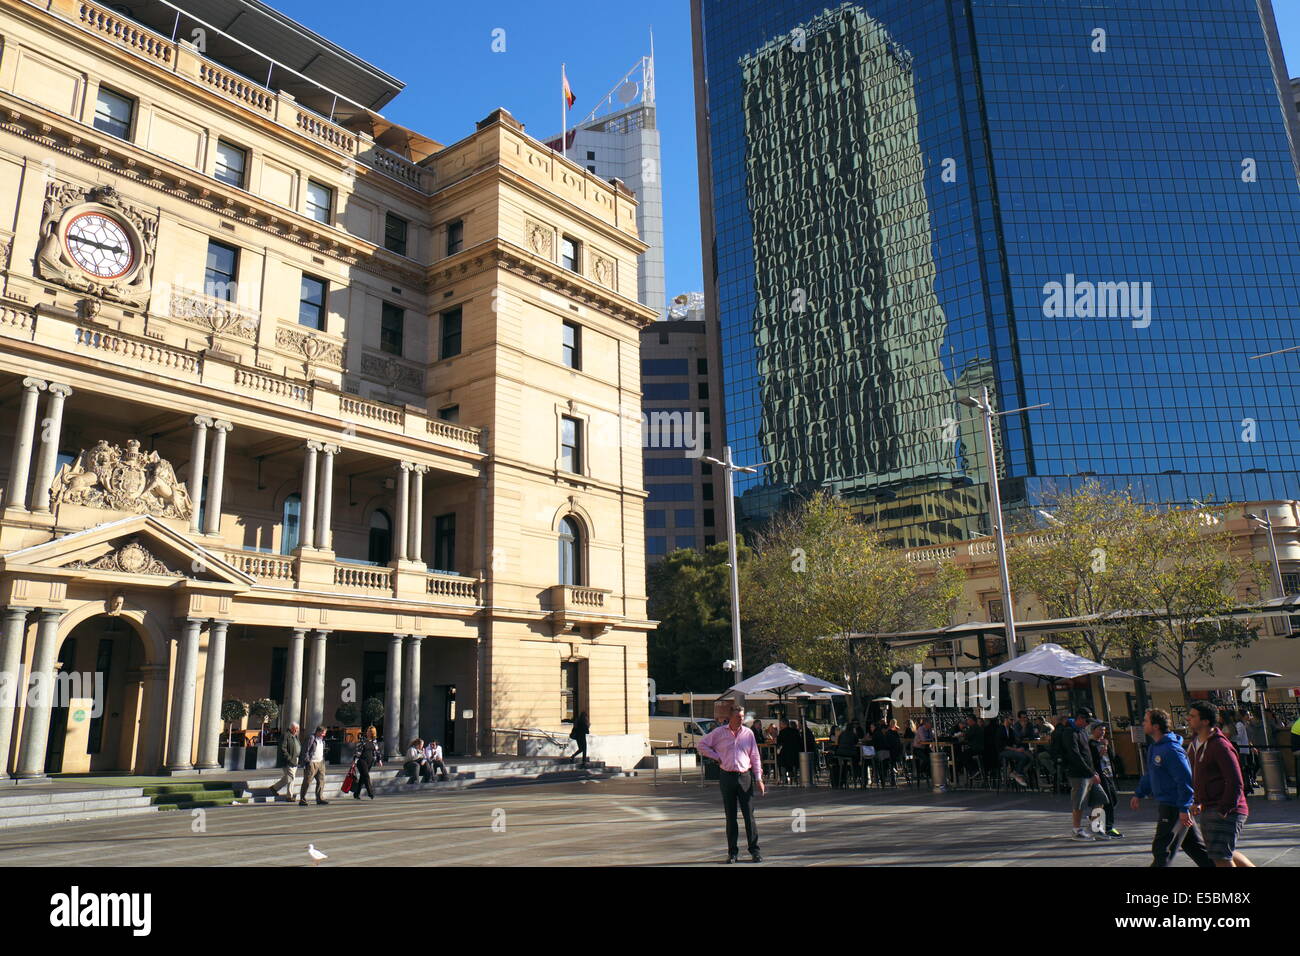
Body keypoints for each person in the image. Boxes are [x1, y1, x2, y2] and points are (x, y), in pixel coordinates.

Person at [1130, 709, 1213, 867]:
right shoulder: (1155, 747)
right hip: (1169, 805)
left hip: (1174, 806)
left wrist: (1183, 808)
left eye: (1146, 721)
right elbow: (1151, 773)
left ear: (1155, 726)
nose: (1143, 724)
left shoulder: (1171, 750)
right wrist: (1139, 793)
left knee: (1162, 850)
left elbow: (1185, 779)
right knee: (1196, 848)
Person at [1186, 701, 1254, 868]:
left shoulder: (1220, 746)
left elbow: (1235, 780)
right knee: (1222, 852)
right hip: (1209, 807)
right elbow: (1198, 777)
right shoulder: (1195, 744)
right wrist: (1196, 800)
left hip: (1226, 809)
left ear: (1205, 721)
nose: (1188, 719)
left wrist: (1225, 808)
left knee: (1221, 857)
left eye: (1193, 716)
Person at [696, 702, 765, 863]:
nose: (741, 719)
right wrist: (716, 756)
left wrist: (759, 778)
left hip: (744, 776)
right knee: (730, 816)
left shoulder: (748, 733)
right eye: (737, 717)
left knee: (749, 815)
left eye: (742, 717)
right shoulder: (719, 733)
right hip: (727, 776)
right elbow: (702, 745)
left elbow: (755, 756)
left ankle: (754, 850)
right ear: (730, 717)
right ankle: (732, 852)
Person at [1052, 709, 1098, 840]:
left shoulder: (1081, 731)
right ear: (1080, 719)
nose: (1088, 724)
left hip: (1087, 771)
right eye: (1087, 721)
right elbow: (1074, 755)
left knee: (1100, 798)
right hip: (1077, 772)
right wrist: (1090, 772)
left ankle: (1095, 826)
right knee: (1079, 801)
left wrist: (1092, 771)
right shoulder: (1070, 732)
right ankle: (1076, 829)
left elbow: (1085, 752)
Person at [1088, 721, 1121, 838]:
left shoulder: (1104, 743)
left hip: (1108, 774)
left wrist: (1106, 746)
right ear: (1093, 731)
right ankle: (1108, 827)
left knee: (1114, 799)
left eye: (1104, 730)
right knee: (1107, 801)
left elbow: (1112, 757)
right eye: (1100, 730)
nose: (1102, 732)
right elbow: (1092, 761)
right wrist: (1100, 754)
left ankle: (1098, 821)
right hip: (1099, 775)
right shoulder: (1091, 744)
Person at [298, 725, 329, 806]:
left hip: (320, 762)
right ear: (318, 732)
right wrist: (308, 761)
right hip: (312, 763)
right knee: (307, 781)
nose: (324, 735)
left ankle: (320, 798)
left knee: (321, 781)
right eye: (323, 733)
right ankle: (302, 799)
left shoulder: (321, 740)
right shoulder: (311, 738)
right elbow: (305, 750)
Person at [269, 721, 300, 802]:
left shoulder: (295, 736)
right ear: (292, 728)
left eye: (298, 729)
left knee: (290, 778)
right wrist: (289, 758)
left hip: (295, 759)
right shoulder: (286, 735)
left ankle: (275, 788)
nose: (297, 730)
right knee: (291, 777)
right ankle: (288, 795)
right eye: (296, 728)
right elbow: (283, 748)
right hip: (288, 761)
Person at [997, 715, 1031, 787]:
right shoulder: (999, 730)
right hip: (1002, 751)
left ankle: (1016, 772)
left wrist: (1020, 749)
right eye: (1011, 719)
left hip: (1011, 750)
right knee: (1023, 757)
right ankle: (1017, 773)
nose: (1012, 721)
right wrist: (1016, 749)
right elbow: (1003, 745)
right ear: (1006, 720)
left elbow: (1014, 742)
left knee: (1029, 756)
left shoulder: (1011, 730)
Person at [352, 726, 381, 800]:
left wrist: (379, 760)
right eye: (368, 731)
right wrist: (354, 761)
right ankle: (370, 793)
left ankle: (356, 793)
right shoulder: (362, 740)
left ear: (373, 733)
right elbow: (357, 751)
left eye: (371, 732)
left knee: (362, 778)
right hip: (361, 760)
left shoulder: (374, 741)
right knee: (366, 776)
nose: (369, 733)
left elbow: (377, 751)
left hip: (370, 761)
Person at [776, 719, 801, 783]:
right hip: (794, 755)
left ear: (784, 724)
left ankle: (784, 779)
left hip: (785, 756)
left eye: (780, 724)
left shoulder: (782, 732)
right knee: (792, 765)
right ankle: (794, 778)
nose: (780, 726)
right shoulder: (795, 731)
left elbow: (778, 742)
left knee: (780, 762)